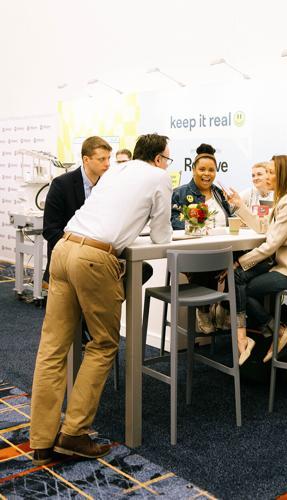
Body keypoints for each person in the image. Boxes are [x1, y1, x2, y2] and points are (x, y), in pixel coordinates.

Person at [30, 133, 173, 466]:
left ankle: (41, 440)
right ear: (158, 159)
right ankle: (74, 434)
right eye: (167, 159)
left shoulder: (116, 170)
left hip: (64, 249)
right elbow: (162, 236)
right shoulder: (159, 178)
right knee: (104, 344)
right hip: (94, 258)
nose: (167, 164)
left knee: (52, 348)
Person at [226, 155, 287, 365]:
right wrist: (240, 206)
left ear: (283, 175)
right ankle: (269, 331)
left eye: (271, 173)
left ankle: (272, 330)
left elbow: (271, 245)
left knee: (239, 287)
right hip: (285, 268)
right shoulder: (284, 200)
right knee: (237, 283)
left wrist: (240, 261)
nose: (266, 177)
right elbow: (262, 228)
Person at [43, 137, 153, 287]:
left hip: (100, 257)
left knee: (143, 269)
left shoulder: (110, 184)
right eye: (101, 159)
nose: (107, 164)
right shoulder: (62, 185)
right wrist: (82, 250)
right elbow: (50, 231)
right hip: (69, 257)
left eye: (108, 158)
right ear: (86, 160)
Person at [171, 144, 234, 333]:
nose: (207, 174)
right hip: (194, 252)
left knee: (241, 265)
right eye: (202, 169)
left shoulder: (219, 193)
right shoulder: (180, 193)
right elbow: (173, 222)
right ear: (193, 170)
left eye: (211, 170)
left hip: (223, 249)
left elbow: (230, 219)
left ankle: (225, 308)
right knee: (206, 260)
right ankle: (205, 310)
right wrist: (197, 227)